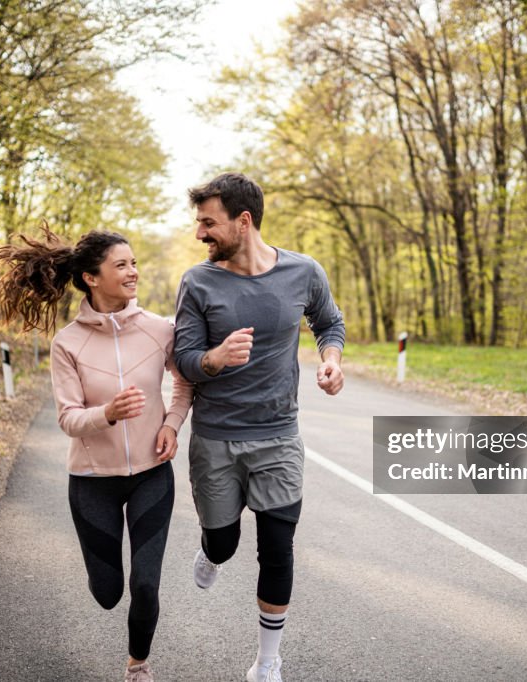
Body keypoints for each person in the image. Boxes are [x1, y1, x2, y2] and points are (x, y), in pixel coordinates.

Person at [0, 226, 192, 682]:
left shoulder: (161, 329)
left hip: (151, 474)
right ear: (90, 277)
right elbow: (68, 419)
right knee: (107, 592)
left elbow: (184, 384)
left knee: (145, 582)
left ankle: (138, 665)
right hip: (91, 481)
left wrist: (170, 424)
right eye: (122, 265)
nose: (133, 272)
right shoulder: (68, 343)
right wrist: (108, 413)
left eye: (134, 262)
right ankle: (105, 585)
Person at [173, 173, 345, 682]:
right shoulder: (197, 282)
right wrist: (215, 359)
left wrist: (330, 360)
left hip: (278, 435)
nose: (200, 233)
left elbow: (328, 322)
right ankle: (211, 551)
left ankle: (268, 660)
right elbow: (182, 360)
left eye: (208, 222)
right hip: (216, 437)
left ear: (242, 222)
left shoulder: (303, 271)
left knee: (277, 547)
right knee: (224, 542)